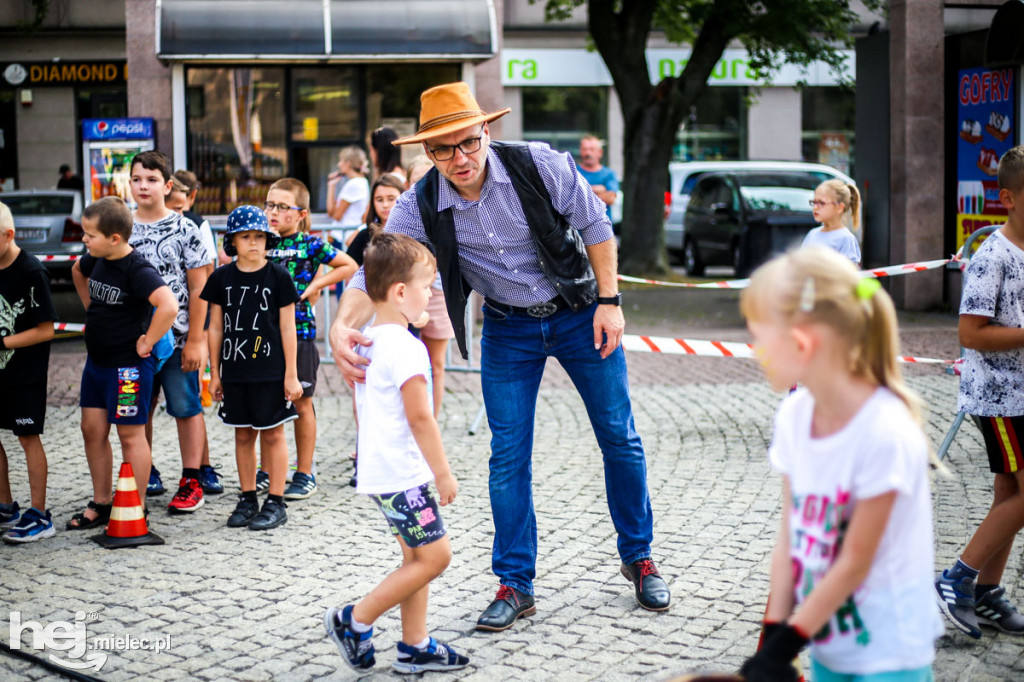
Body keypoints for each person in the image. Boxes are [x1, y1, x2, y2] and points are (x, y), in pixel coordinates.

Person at [329, 82, 669, 631]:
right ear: (428, 153)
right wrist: (342, 326)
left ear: (486, 130)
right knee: (508, 455)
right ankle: (516, 583)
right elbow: (380, 270)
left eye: (468, 142)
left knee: (619, 437)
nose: (460, 159)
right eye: (443, 150)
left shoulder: (538, 164)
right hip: (509, 329)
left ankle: (640, 558)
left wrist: (610, 302)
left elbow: (596, 225)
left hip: (580, 313)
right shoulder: (420, 203)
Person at [738, 247, 941, 682]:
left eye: (758, 335)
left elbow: (855, 560)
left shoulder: (885, 431)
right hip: (829, 643)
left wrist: (789, 640)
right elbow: (791, 532)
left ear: (802, 342)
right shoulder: (794, 415)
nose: (753, 348)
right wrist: (774, 634)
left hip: (890, 654)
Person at [323, 232, 468, 675]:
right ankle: (356, 620)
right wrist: (443, 474)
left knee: (416, 559)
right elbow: (421, 418)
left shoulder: (370, 338)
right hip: (404, 476)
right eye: (428, 285)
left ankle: (414, 645)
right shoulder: (407, 347)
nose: (432, 293)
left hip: (384, 471)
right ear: (400, 292)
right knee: (436, 557)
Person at [934, 144, 1024, 640]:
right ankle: (957, 579)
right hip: (999, 396)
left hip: (1022, 393)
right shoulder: (992, 256)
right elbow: (971, 335)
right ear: (1007, 198)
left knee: (1011, 493)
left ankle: (987, 592)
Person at [68, 197, 178, 530]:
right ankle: (102, 502)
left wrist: (148, 340)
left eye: (90, 235)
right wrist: (91, 308)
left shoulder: (137, 269)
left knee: (130, 436)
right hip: (96, 365)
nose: (85, 241)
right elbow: (77, 271)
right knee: (92, 431)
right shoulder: (95, 259)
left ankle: (136, 506)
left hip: (128, 369)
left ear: (115, 238)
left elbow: (168, 306)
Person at [202, 206, 302, 531]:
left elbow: (289, 328)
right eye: (246, 237)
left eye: (259, 236)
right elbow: (215, 328)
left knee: (273, 434)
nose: (254, 243)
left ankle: (276, 500)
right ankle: (247, 498)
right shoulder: (221, 278)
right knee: (243, 435)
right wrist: (214, 373)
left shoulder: (279, 276)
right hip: (234, 372)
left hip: (271, 372)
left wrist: (291, 374)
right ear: (232, 241)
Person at [127, 151, 213, 516]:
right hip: (133, 343)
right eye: (136, 179)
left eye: (150, 179)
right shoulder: (122, 225)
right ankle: (143, 475)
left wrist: (197, 339)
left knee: (186, 406)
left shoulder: (185, 229)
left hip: (178, 341)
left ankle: (192, 478)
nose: (143, 186)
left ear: (167, 186)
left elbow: (199, 288)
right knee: (138, 411)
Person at [264, 178, 357, 500]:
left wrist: (317, 285)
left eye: (281, 206)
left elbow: (349, 265)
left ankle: (304, 473)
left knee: (302, 401)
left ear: (300, 213)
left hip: (300, 331)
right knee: (265, 402)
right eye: (269, 204)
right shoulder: (260, 241)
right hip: (263, 333)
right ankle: (267, 469)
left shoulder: (311, 243)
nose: (272, 212)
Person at [0, 200, 58, 543]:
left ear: (8, 236)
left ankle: (39, 514)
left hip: (25, 374)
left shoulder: (32, 271)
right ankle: (6, 505)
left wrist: (4, 344)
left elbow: (47, 329)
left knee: (27, 438)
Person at [167, 170, 223, 496]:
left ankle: (203, 467)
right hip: (148, 338)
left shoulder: (196, 225)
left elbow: (206, 275)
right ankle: (152, 472)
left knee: (191, 404)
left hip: (187, 333)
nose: (178, 213)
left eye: (181, 206)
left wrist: (200, 335)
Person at [406, 156, 454, 418]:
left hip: (437, 292)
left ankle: (431, 421)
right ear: (408, 183)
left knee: (435, 362)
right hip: (405, 293)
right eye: (418, 180)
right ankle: (410, 418)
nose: (425, 185)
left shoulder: (447, 211)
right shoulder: (403, 214)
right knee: (407, 361)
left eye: (430, 179)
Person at [803, 180, 862, 267]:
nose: (815, 207)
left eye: (821, 203)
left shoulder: (846, 238)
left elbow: (848, 274)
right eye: (814, 202)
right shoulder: (812, 234)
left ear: (839, 208)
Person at [326, 146, 370, 246]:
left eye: (341, 161)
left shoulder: (354, 184)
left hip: (342, 237)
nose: (338, 164)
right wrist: (331, 185)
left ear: (348, 163)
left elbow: (336, 215)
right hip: (346, 235)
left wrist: (331, 186)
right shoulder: (362, 181)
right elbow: (331, 212)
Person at [577, 135, 618, 222]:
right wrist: (597, 190)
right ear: (580, 151)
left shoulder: (609, 174)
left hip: (602, 230)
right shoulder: (573, 172)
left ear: (600, 152)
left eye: (592, 149)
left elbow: (610, 199)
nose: (587, 153)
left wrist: (582, 193)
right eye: (584, 149)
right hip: (576, 232)